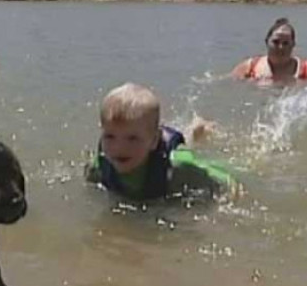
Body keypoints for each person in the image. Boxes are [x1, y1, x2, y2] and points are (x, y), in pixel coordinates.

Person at [85, 83, 241, 202]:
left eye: (132, 139)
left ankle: (197, 130)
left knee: (190, 149)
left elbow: (226, 182)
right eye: (110, 136)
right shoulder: (100, 165)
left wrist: (230, 195)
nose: (119, 147)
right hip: (152, 137)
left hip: (166, 151)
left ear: (154, 141)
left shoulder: (179, 166)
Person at [231, 17, 307, 85]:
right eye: (276, 42)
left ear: (293, 45)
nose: (280, 47)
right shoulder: (249, 68)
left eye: (286, 43)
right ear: (267, 42)